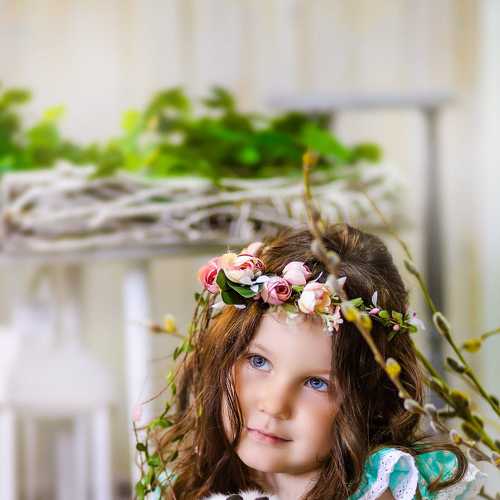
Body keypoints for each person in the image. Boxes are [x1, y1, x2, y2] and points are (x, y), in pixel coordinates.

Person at [152, 223, 485, 499]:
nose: (274, 405)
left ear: (370, 399)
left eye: (317, 383)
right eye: (258, 361)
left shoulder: (379, 488)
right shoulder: (187, 483)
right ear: (222, 352)